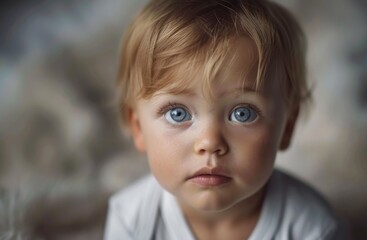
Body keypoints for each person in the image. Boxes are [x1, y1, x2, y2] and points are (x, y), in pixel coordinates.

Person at [104, 0, 348, 239]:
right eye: (177, 113)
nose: (210, 142)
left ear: (286, 127)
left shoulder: (313, 229)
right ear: (138, 128)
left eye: (243, 113)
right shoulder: (132, 220)